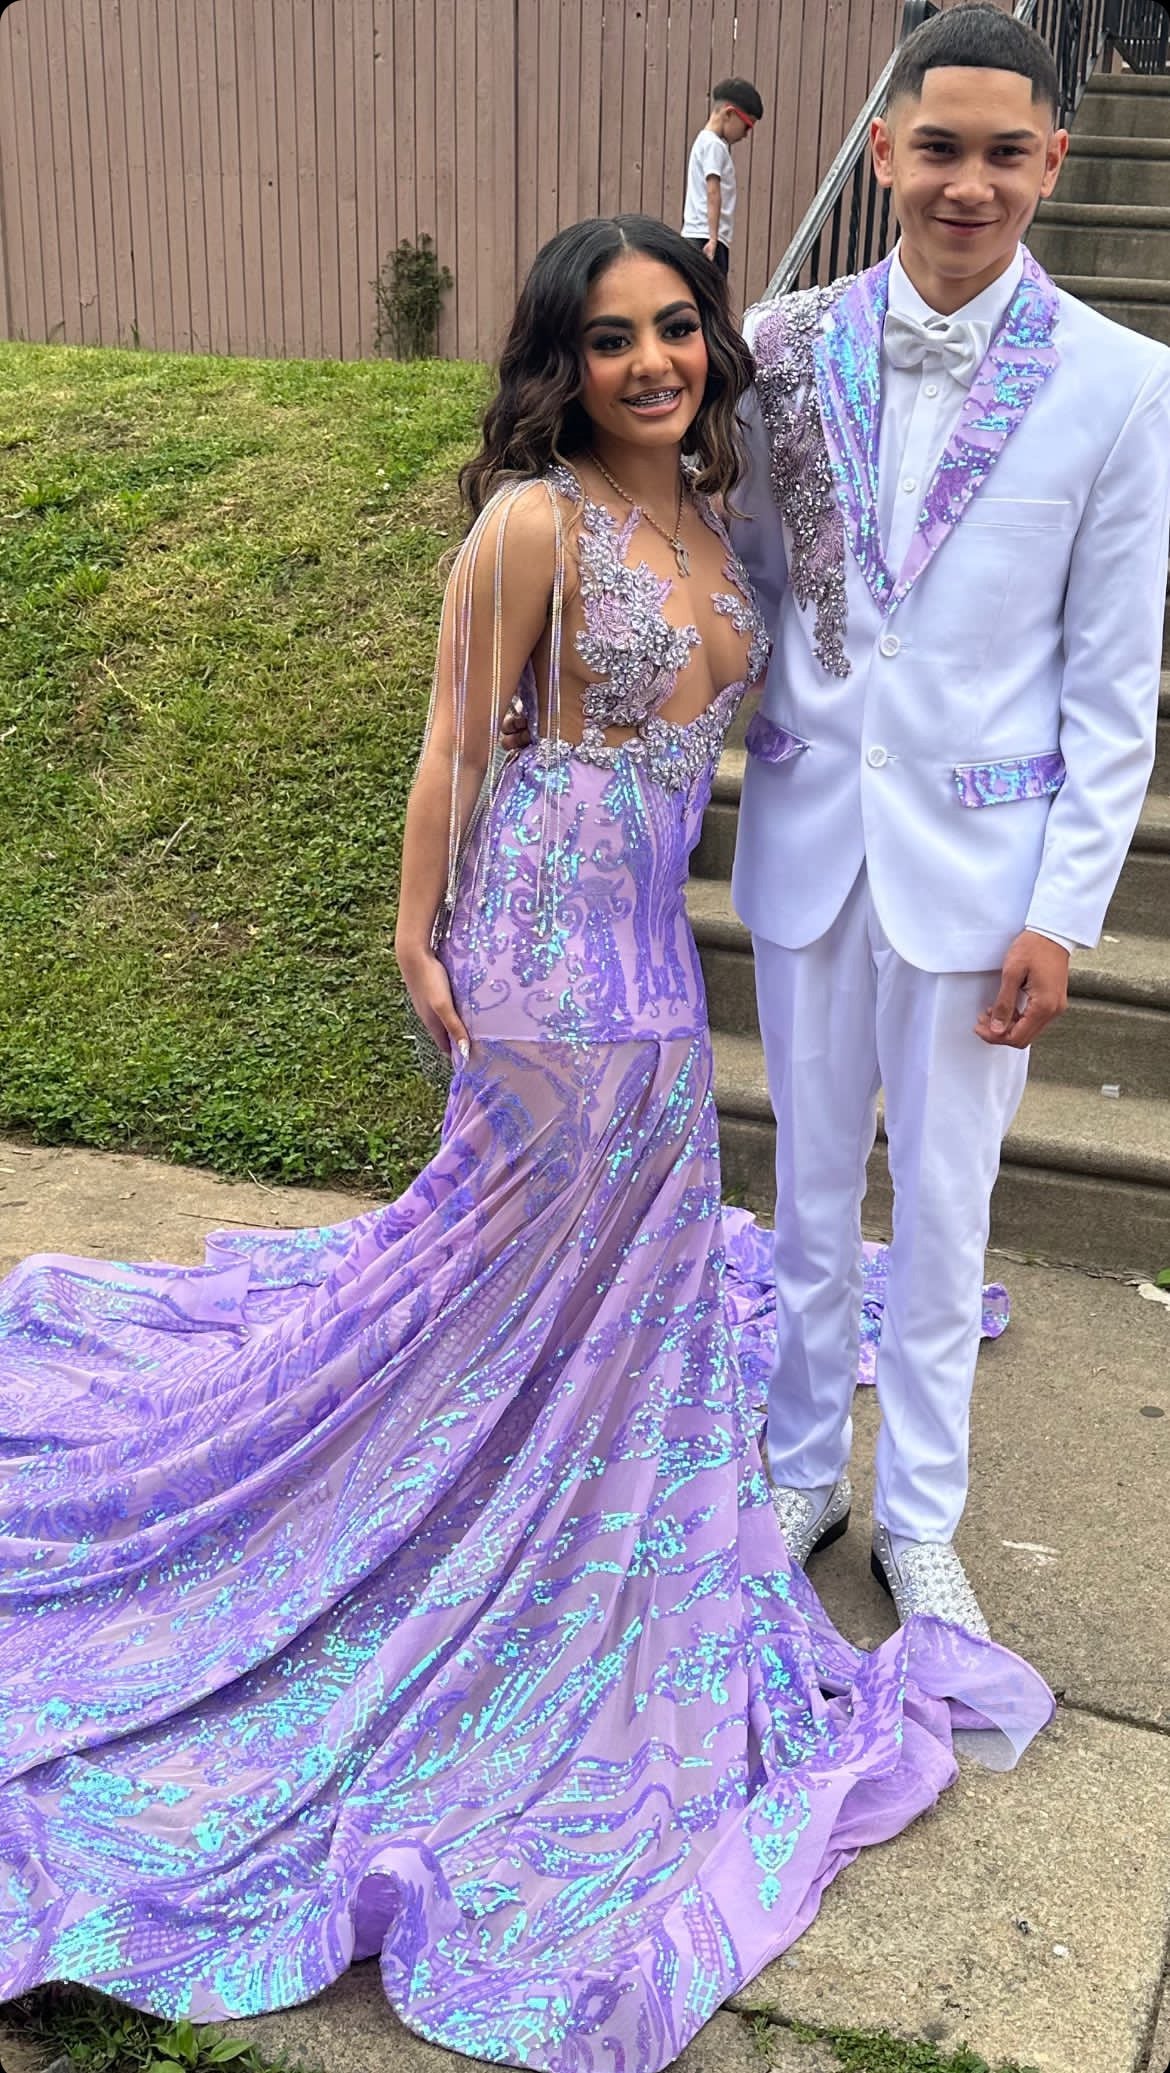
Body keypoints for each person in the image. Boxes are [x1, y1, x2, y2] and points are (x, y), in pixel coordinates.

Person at [0, 215, 1052, 2072]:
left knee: (613, 1270)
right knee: (514, 1260)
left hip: (655, 966)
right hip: (548, 956)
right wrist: (417, 932)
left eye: (675, 329)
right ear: (562, 364)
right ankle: (438, 1496)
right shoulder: (532, 526)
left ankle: (556, 1472)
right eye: (610, 336)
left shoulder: (718, 525)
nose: (649, 362)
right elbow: (453, 743)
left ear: (710, 346)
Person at [732, 3, 1170, 1636]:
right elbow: (749, 585)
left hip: (984, 878)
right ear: (882, 153)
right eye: (936, 148)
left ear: (1051, 161)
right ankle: (800, 1468)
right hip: (807, 841)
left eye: (1001, 153)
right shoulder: (779, 348)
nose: (965, 184)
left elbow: (1109, 683)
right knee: (805, 1194)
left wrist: (1063, 910)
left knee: (943, 1212)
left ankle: (920, 1513)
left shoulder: (1123, 384)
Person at [681, 76, 763, 277]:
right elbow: (713, 191)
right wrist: (713, 238)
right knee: (712, 292)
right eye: (747, 126)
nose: (746, 135)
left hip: (695, 235)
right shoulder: (714, 145)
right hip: (706, 238)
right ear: (729, 113)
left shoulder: (703, 141)